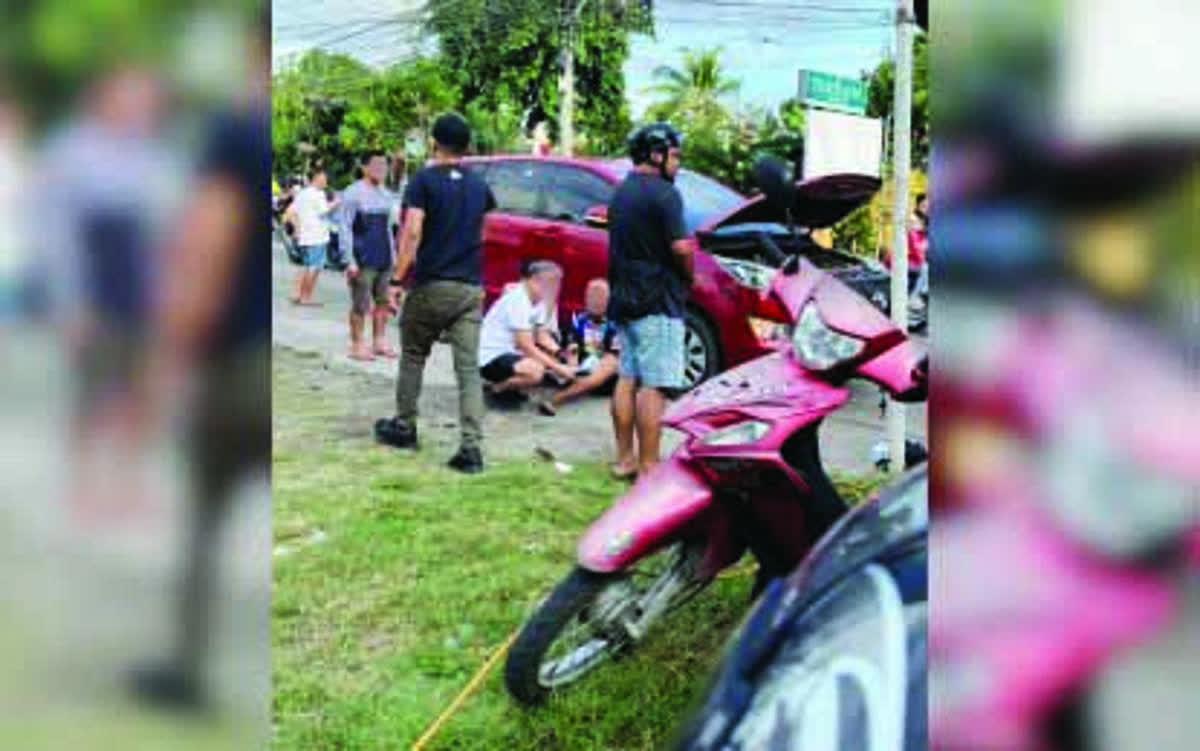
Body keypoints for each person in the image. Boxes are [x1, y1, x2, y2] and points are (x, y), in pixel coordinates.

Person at [129, 6, 271, 709]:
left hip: (239, 365)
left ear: (249, 44)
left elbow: (208, 252)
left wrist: (165, 361)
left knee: (205, 522)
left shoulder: (236, 131)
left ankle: (190, 669)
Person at [373, 113, 497, 474]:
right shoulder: (479, 186)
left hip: (432, 283)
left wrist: (396, 280)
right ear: (467, 146)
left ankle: (405, 426)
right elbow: (485, 231)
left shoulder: (424, 181)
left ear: (434, 143)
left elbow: (412, 231)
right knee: (468, 370)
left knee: (413, 355)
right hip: (469, 288)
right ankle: (471, 449)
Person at [606, 122, 691, 478]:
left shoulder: (621, 192)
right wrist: (690, 276)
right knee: (652, 386)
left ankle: (624, 459)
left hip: (624, 295)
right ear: (656, 155)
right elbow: (681, 247)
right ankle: (648, 467)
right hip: (657, 298)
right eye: (674, 156)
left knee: (627, 377)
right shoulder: (665, 195)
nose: (678, 164)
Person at [478, 261, 576, 404]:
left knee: (552, 361)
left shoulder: (538, 300)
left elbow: (542, 336)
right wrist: (559, 368)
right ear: (534, 279)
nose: (554, 287)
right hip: (491, 355)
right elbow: (526, 345)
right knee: (535, 372)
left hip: (511, 351)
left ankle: (514, 387)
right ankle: (496, 388)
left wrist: (561, 354)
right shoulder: (518, 299)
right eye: (550, 282)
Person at [339, 150, 397, 360]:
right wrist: (349, 260)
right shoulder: (352, 193)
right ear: (364, 167)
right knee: (360, 304)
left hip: (384, 257)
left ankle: (379, 341)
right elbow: (344, 227)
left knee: (382, 302)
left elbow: (389, 229)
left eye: (384, 165)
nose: (381, 169)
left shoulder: (386, 194)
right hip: (362, 259)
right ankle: (357, 346)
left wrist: (394, 258)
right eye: (376, 165)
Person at [539, 278, 620, 416]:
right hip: (581, 369)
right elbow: (573, 344)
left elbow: (614, 353)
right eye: (591, 296)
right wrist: (573, 364)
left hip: (607, 375)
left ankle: (556, 399)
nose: (595, 300)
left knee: (611, 363)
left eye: (600, 296)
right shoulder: (579, 318)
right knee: (553, 351)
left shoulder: (617, 321)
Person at [286, 165, 338, 305]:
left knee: (306, 265)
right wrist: (336, 203)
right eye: (325, 178)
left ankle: (297, 294)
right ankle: (305, 297)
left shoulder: (303, 193)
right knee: (314, 267)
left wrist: (297, 230)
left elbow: (290, 212)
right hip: (317, 235)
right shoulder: (318, 194)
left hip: (305, 235)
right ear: (317, 178)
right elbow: (324, 211)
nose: (326, 181)